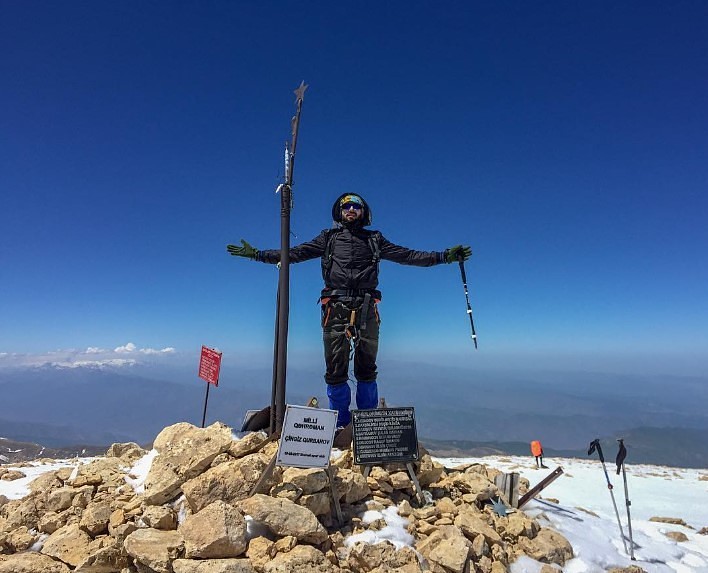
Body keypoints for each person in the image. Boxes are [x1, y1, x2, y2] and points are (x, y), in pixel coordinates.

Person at [227, 193, 471, 428]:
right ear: (340, 212)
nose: (351, 210)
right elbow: (294, 254)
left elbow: (407, 255)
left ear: (363, 212)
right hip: (336, 307)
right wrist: (259, 255)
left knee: (367, 368)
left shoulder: (375, 239)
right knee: (335, 370)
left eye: (356, 206)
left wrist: (442, 256)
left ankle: (364, 424)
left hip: (365, 307)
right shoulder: (328, 238)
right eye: (346, 206)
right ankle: (341, 423)